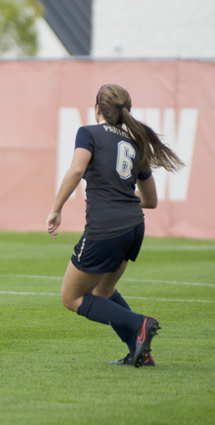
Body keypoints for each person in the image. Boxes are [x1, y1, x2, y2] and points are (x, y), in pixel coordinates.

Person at [46, 84, 185, 367]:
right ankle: (139, 351)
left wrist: (55, 209)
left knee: (71, 297)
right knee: (103, 292)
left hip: (105, 228)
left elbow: (76, 169)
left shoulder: (89, 133)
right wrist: (121, 196)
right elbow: (151, 201)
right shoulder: (135, 144)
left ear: (97, 108)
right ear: (126, 112)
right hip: (134, 227)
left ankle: (139, 324)